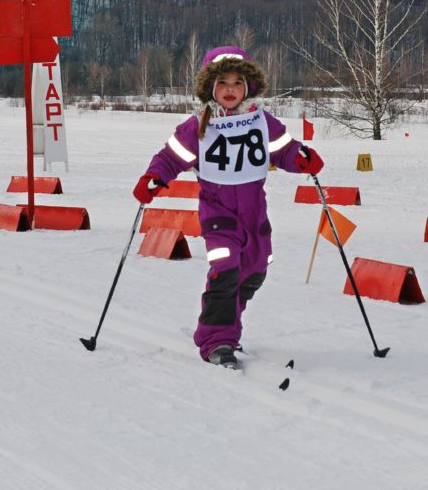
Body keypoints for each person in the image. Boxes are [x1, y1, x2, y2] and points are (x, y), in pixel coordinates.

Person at [133, 46, 324, 368]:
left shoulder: (261, 121)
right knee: (225, 270)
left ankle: (226, 324)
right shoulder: (197, 125)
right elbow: (170, 157)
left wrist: (301, 158)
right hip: (218, 211)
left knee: (254, 272)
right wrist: (154, 176)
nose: (230, 89)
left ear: (248, 85)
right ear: (211, 87)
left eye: (237, 82)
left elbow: (283, 149)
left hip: (255, 213)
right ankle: (217, 340)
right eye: (222, 82)